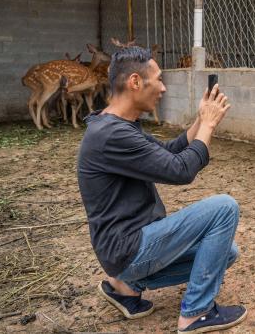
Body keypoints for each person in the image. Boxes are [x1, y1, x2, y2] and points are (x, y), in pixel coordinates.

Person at [77, 46, 246, 333]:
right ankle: (196, 312)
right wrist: (207, 125)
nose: (164, 88)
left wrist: (200, 120)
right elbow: (181, 170)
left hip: (125, 250)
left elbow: (169, 152)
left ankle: (127, 285)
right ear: (135, 82)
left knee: (226, 253)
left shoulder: (117, 126)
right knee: (224, 207)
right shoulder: (112, 135)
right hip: (128, 248)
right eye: (158, 79)